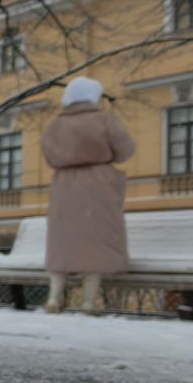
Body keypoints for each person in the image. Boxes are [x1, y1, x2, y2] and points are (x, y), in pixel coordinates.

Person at [39, 76, 135, 313]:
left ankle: (53, 297)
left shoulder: (54, 125)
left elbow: (49, 156)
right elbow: (126, 150)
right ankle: (89, 302)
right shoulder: (104, 119)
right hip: (98, 184)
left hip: (64, 186)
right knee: (96, 241)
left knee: (62, 242)